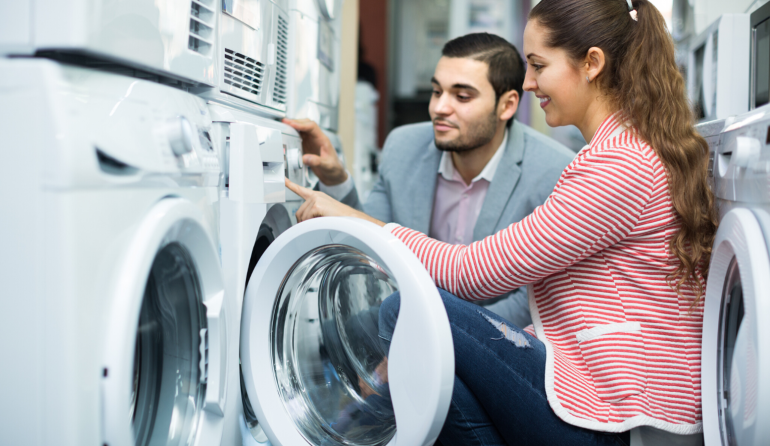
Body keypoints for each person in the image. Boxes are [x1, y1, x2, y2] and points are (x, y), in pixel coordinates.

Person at [286, 0, 718, 444]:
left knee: (403, 315)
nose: (529, 82)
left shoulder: (617, 165)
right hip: (609, 395)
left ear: (592, 64)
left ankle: (326, 431)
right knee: (426, 368)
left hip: (613, 415)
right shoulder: (630, 150)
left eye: (538, 65)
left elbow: (473, 276)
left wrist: (358, 221)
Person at [285, 33, 574, 329]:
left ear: (507, 105)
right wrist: (336, 180)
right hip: (403, 320)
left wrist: (429, 342)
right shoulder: (403, 146)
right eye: (437, 92)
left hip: (498, 344)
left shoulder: (554, 170)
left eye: (462, 96)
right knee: (339, 327)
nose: (440, 108)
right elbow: (370, 244)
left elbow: (532, 299)